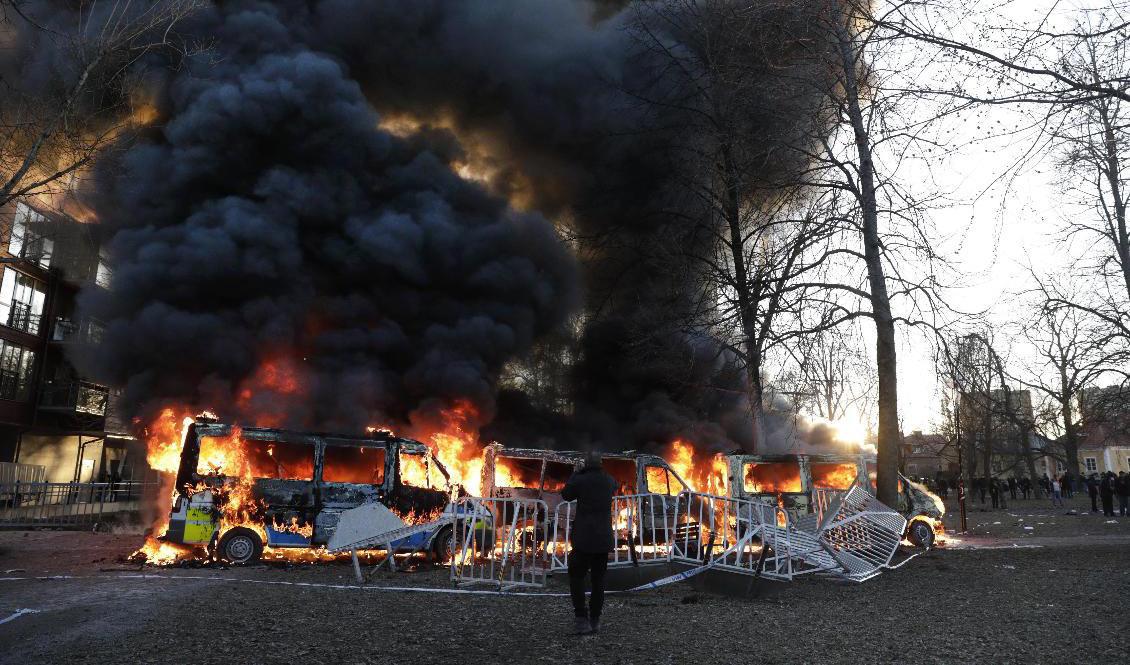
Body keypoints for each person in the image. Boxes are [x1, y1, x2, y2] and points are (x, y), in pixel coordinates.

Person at [561, 451, 615, 635]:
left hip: (584, 538)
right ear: (601, 463)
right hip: (603, 539)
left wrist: (576, 473)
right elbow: (613, 486)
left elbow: (566, 495)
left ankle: (581, 619)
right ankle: (595, 619)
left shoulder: (580, 480)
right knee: (598, 580)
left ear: (585, 464)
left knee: (577, 577)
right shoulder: (609, 480)